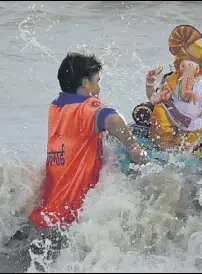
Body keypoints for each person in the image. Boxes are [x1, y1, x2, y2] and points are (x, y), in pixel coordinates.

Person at [23, 52, 148, 266]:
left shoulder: (56, 108)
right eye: (96, 81)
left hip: (44, 218)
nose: (98, 88)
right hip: (71, 222)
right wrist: (132, 145)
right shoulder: (86, 108)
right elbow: (110, 117)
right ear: (85, 82)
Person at [137, 24, 202, 153]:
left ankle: (192, 148)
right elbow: (153, 99)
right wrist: (150, 84)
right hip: (171, 121)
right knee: (159, 109)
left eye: (192, 65)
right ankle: (163, 145)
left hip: (192, 123)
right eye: (183, 65)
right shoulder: (170, 79)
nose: (187, 70)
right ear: (178, 65)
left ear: (200, 70)